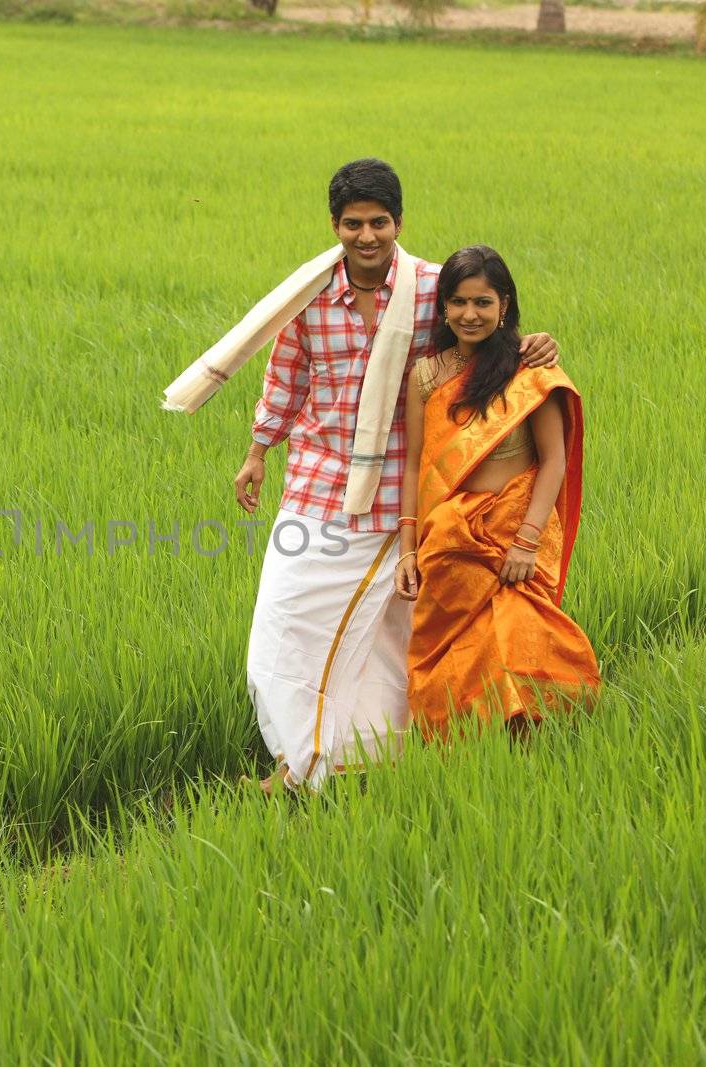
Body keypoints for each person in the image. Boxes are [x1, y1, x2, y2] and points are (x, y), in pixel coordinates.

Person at [188, 159, 557, 793]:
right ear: (335, 225)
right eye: (353, 224)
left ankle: (351, 762)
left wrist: (533, 344)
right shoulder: (308, 299)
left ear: (399, 223)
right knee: (283, 622)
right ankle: (300, 756)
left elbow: (485, 330)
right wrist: (257, 450)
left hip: (405, 492)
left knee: (388, 640)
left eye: (379, 223)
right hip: (316, 481)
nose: (367, 237)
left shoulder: (435, 290)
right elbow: (287, 378)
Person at [395, 245, 599, 741]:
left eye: (483, 302)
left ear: (504, 305)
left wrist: (527, 541)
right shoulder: (426, 377)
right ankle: (468, 748)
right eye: (459, 302)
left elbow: (553, 459)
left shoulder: (529, 371)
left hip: (515, 534)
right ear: (443, 307)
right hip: (452, 541)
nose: (470, 314)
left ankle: (532, 744)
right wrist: (407, 548)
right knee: (460, 653)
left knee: (516, 637)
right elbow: (417, 464)